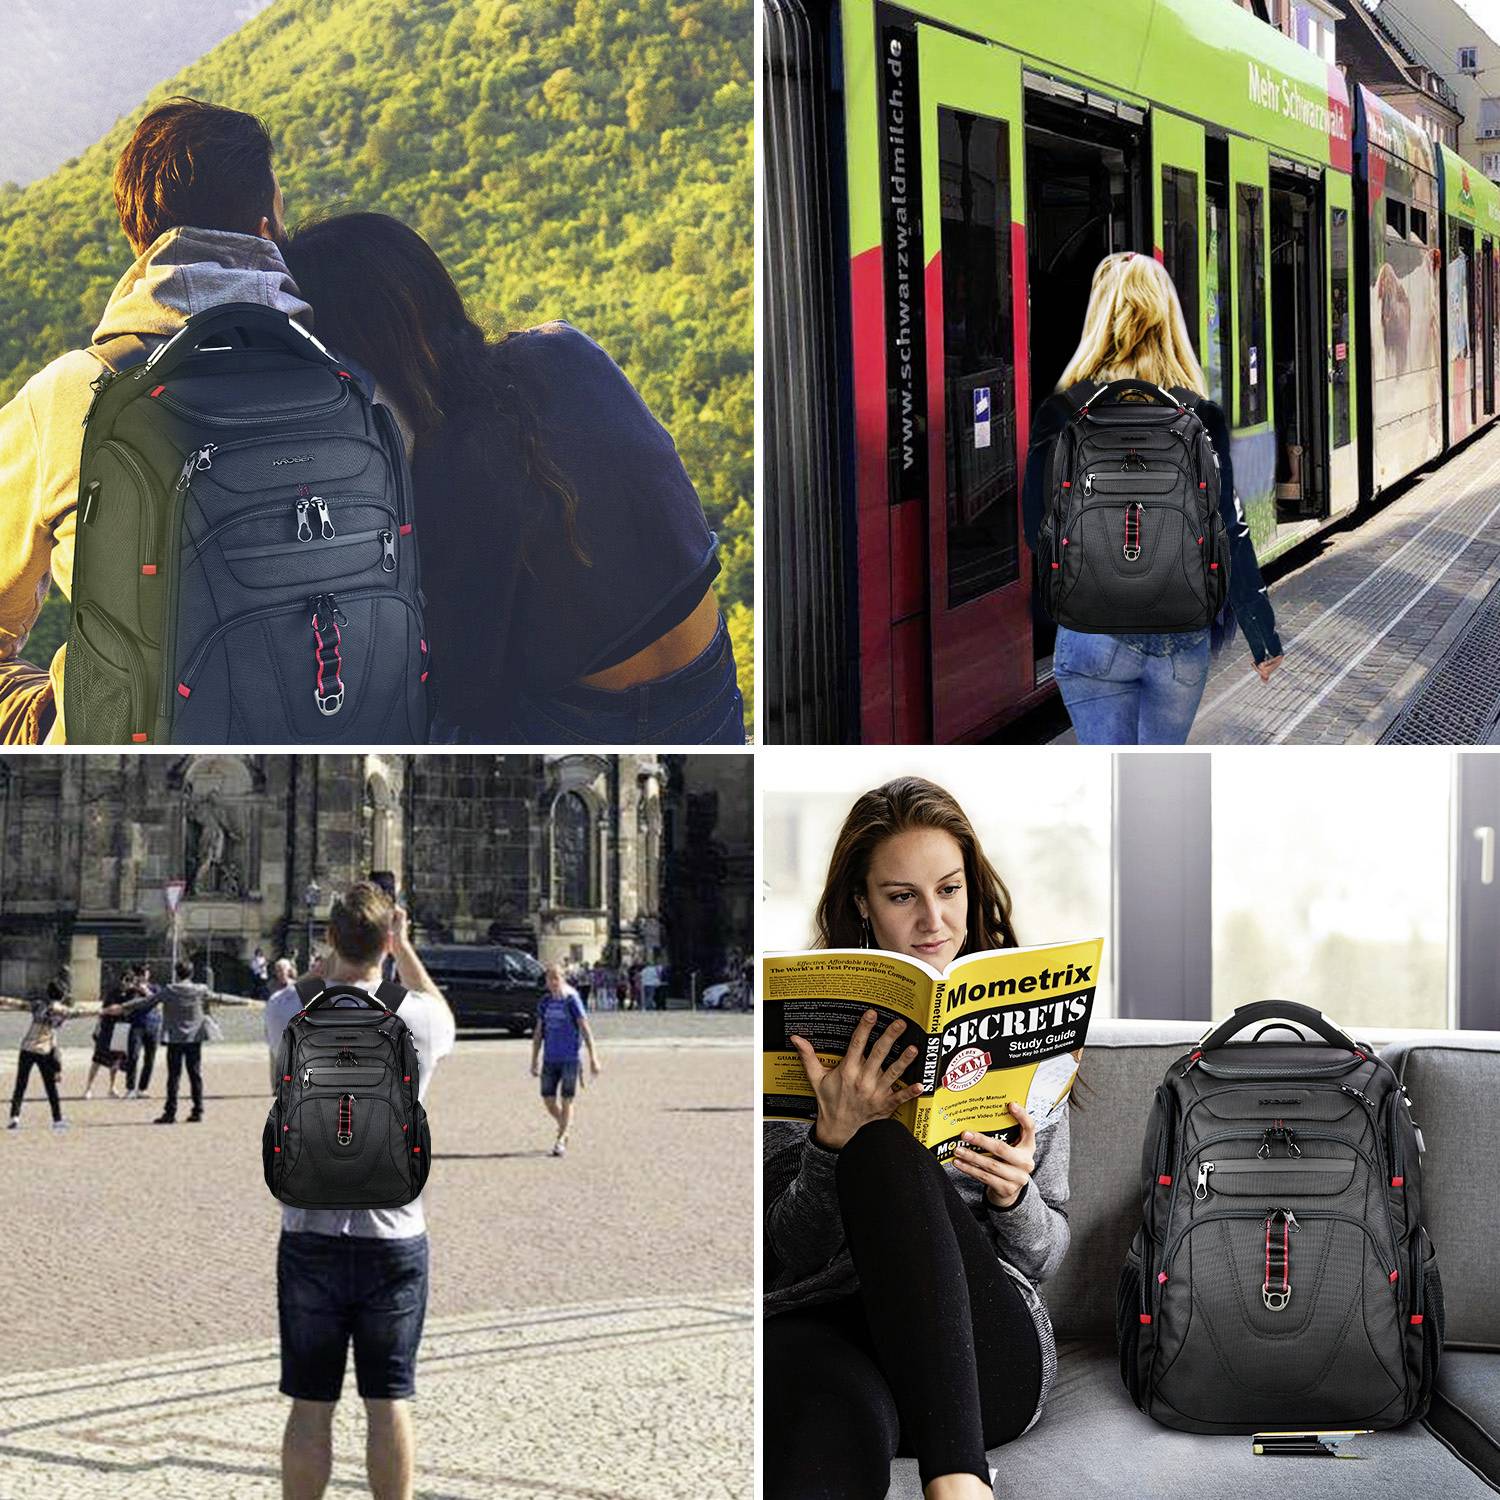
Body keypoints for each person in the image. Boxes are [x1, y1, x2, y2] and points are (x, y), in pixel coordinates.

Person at [280, 213, 745, 746]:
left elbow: (469, 687)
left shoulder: (447, 468)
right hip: (711, 674)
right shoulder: (564, 348)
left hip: (599, 719)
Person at [764, 777, 1071, 1500]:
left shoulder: (1034, 1032)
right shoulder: (803, 1037)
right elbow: (787, 1256)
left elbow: (1048, 1255)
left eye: (949, 889)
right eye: (902, 896)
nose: (934, 919)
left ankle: (958, 1483)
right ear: (862, 904)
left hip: (985, 1351)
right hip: (831, 1327)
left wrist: (1016, 1196)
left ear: (972, 889)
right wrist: (829, 1142)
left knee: (881, 1148)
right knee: (819, 1419)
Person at [0, 97, 298, 742]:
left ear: (137, 238)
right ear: (266, 226)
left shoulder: (74, 392)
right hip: (332, 717)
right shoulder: (347, 379)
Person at [1022, 251, 1284, 744]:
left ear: (1099, 319)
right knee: (1155, 778)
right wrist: (1262, 635)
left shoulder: (1061, 411)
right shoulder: (1199, 414)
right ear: (1168, 322)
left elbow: (1037, 531)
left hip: (1091, 633)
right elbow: (1229, 530)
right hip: (1178, 634)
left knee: (1113, 779)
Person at [263, 882, 455, 1500]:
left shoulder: (286, 1010)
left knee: (309, 1404)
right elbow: (433, 1002)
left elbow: (305, 989)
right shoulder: (420, 1019)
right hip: (393, 1238)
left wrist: (335, 956)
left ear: (329, 938)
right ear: (388, 942)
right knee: (388, 1400)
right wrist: (402, 947)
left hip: (310, 1234)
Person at [117, 960, 257, 1124]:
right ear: (191, 974)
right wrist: (244, 1001)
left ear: (177, 973)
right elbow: (220, 998)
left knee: (173, 1077)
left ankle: (170, 1112)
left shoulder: (170, 990)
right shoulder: (200, 990)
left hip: (174, 1039)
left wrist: (123, 1006)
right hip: (193, 1038)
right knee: (195, 1075)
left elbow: (146, 1002)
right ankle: (198, 1110)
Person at [1, 980, 121, 1130]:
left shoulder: (39, 1005)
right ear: (63, 995)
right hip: (44, 1050)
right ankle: (57, 1120)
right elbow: (82, 1013)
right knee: (50, 1087)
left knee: (20, 1085)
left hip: (27, 1048)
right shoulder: (63, 1011)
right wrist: (107, 1010)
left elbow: (17, 1004)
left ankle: (14, 1117)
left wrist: (2, 1000)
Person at [529, 964, 601, 1158]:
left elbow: (585, 1029)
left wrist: (593, 1057)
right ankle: (565, 1125)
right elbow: (539, 1032)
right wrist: (534, 1058)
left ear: (563, 979)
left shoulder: (572, 1001)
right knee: (548, 1099)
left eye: (556, 978)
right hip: (550, 1058)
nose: (553, 982)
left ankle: (561, 1140)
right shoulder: (544, 1002)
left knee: (567, 1098)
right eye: (549, 978)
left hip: (570, 1058)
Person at [83, 967, 134, 1099]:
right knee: (97, 1059)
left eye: (129, 980)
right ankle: (88, 1087)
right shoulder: (113, 993)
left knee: (116, 1060)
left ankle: (112, 1087)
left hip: (121, 1029)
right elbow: (106, 1010)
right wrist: (97, 1027)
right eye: (124, 979)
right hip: (107, 1028)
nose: (125, 983)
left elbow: (125, 1010)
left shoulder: (133, 994)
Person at [124, 964, 162, 1099]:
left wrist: (145, 990)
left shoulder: (155, 988)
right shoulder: (131, 990)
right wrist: (132, 989)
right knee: (133, 1056)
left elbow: (157, 1000)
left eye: (146, 972)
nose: (144, 974)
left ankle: (142, 1088)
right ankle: (130, 1088)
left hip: (153, 1025)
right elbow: (126, 1005)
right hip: (136, 1026)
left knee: (150, 1058)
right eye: (141, 973)